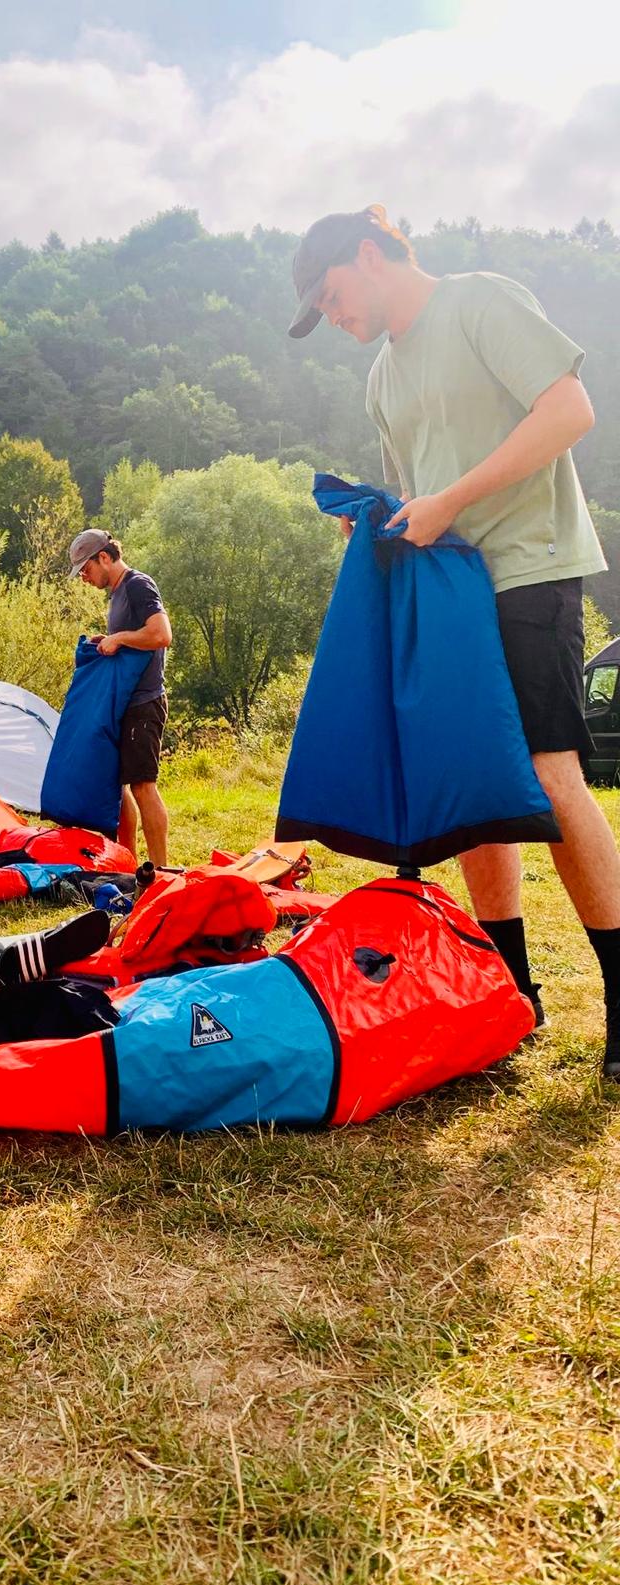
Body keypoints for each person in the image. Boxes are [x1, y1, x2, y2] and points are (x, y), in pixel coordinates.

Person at [287, 204, 620, 1080]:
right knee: (472, 779)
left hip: (529, 567)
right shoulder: (381, 380)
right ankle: (510, 994)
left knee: (549, 772)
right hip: (451, 591)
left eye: (332, 296)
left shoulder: (479, 302)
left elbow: (570, 410)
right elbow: (421, 497)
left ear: (369, 254)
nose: (335, 318)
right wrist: (390, 528)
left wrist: (451, 501)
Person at [68, 529, 173, 866]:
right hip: (123, 702)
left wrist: (122, 637)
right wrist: (112, 639)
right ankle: (129, 866)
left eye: (86, 569)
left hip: (145, 701)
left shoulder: (138, 585)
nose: (84, 577)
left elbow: (161, 634)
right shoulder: (116, 596)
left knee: (143, 785)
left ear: (104, 557)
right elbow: (133, 639)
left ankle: (161, 870)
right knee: (120, 789)